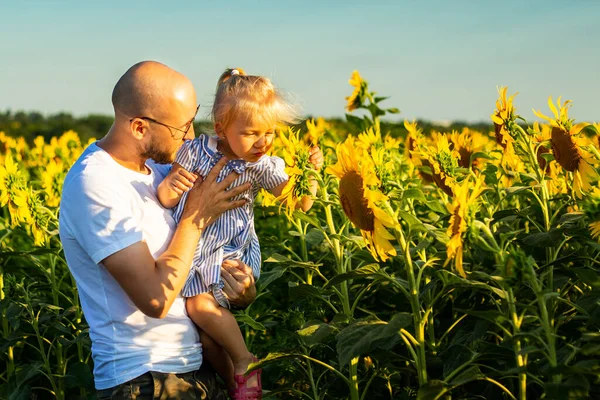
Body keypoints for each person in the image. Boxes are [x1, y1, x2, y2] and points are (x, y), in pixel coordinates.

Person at [59, 61, 257, 399]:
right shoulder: (95, 184)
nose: (191, 137)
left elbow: (192, 269)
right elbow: (156, 299)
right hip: (144, 379)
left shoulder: (162, 171)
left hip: (193, 368)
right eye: (182, 128)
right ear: (138, 127)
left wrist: (240, 289)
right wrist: (196, 216)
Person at [156, 67, 324, 400]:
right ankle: (235, 379)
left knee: (201, 309)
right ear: (221, 129)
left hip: (231, 254)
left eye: (269, 132)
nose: (263, 142)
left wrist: (311, 174)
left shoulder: (261, 165)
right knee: (205, 338)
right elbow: (166, 197)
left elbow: (299, 202)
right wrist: (170, 186)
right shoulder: (195, 153)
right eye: (251, 133)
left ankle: (244, 360)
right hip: (195, 253)